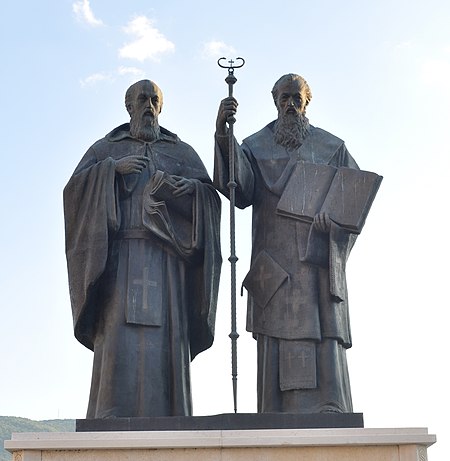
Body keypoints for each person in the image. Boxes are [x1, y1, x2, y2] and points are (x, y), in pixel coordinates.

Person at [64, 79, 222, 419]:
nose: (149, 105)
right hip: (120, 262)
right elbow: (73, 194)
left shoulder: (182, 152)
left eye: (154, 100)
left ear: (161, 107)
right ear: (129, 107)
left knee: (166, 342)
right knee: (119, 338)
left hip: (167, 264)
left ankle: (170, 412)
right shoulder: (105, 149)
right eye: (142, 99)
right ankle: (111, 413)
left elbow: (211, 197)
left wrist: (190, 189)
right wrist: (110, 172)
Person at [214, 73, 361, 414]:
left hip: (316, 261)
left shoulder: (331, 147)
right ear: (274, 101)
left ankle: (330, 403)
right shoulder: (253, 145)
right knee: (276, 335)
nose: (290, 104)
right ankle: (275, 407)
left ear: (307, 101)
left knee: (322, 328)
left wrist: (334, 225)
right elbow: (240, 189)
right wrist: (224, 135)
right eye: (284, 98)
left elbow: (353, 198)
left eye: (297, 97)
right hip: (275, 260)